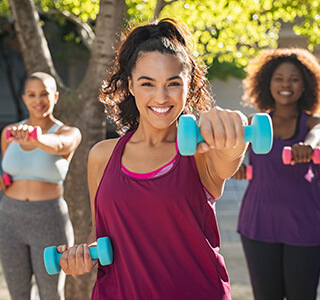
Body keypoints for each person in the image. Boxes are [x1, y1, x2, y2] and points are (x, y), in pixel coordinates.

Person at [57, 18, 249, 300]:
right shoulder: (102, 155)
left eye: (173, 83)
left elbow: (231, 154)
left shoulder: (201, 150)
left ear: (188, 86)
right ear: (131, 85)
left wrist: (235, 129)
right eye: (148, 83)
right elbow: (103, 230)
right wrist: (82, 254)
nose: (161, 97)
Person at [233, 48, 320, 300]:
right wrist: (234, 165)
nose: (286, 84)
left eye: (294, 79)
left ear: (305, 86)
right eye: (279, 78)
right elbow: (230, 154)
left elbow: (317, 136)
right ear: (267, 83)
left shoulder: (313, 124)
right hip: (258, 223)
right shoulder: (255, 122)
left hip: (306, 225)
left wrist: (309, 146)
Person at [0, 72, 82, 300]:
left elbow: (59, 145)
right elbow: (8, 176)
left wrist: (36, 138)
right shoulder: (9, 133)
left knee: (51, 294)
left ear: (55, 96)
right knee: (18, 295)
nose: (38, 100)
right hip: (9, 218)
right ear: (24, 98)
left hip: (49, 219)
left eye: (44, 94)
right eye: (32, 95)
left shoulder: (68, 133)